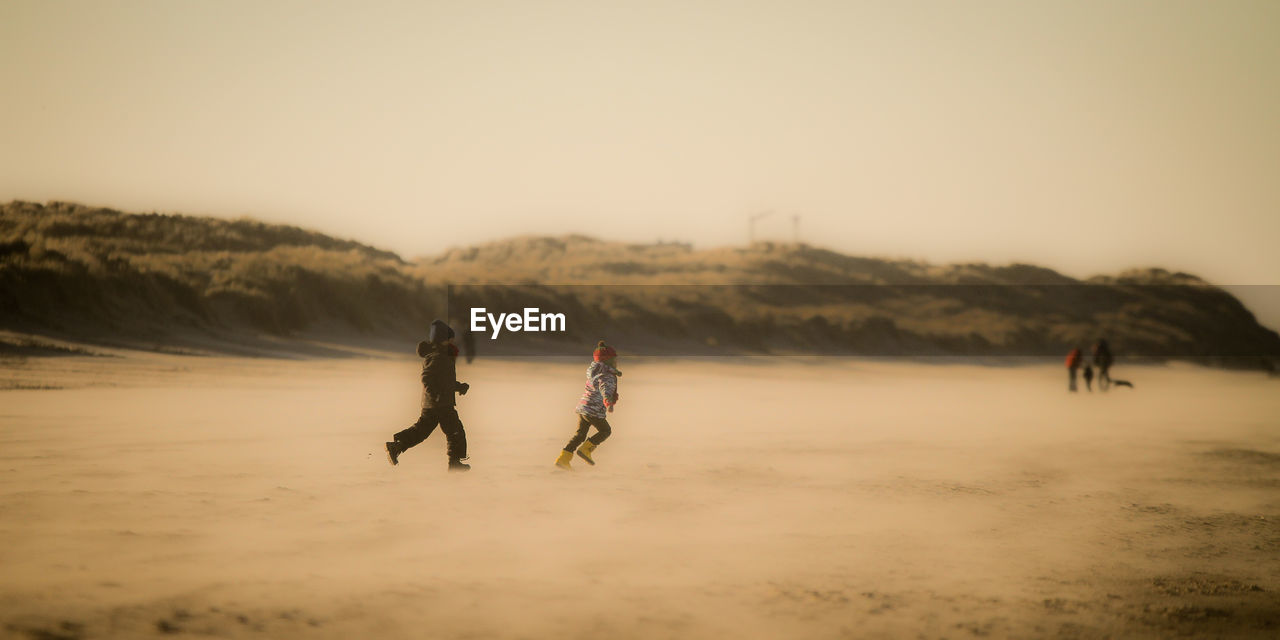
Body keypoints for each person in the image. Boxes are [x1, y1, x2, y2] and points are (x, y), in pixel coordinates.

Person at [385, 319, 471, 471]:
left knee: (422, 431)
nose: (453, 341)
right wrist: (436, 394)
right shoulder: (439, 356)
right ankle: (454, 463)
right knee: (455, 431)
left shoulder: (439, 355)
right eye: (450, 339)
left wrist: (459, 387)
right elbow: (426, 377)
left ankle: (397, 446)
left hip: (433, 403)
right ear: (443, 340)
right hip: (441, 403)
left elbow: (444, 381)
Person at [556, 340, 621, 470]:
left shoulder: (594, 372)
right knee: (605, 431)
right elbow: (605, 389)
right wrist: (608, 402)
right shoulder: (607, 375)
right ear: (608, 361)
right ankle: (586, 450)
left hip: (583, 408)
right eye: (614, 360)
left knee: (580, 435)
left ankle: (564, 458)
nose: (616, 362)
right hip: (594, 410)